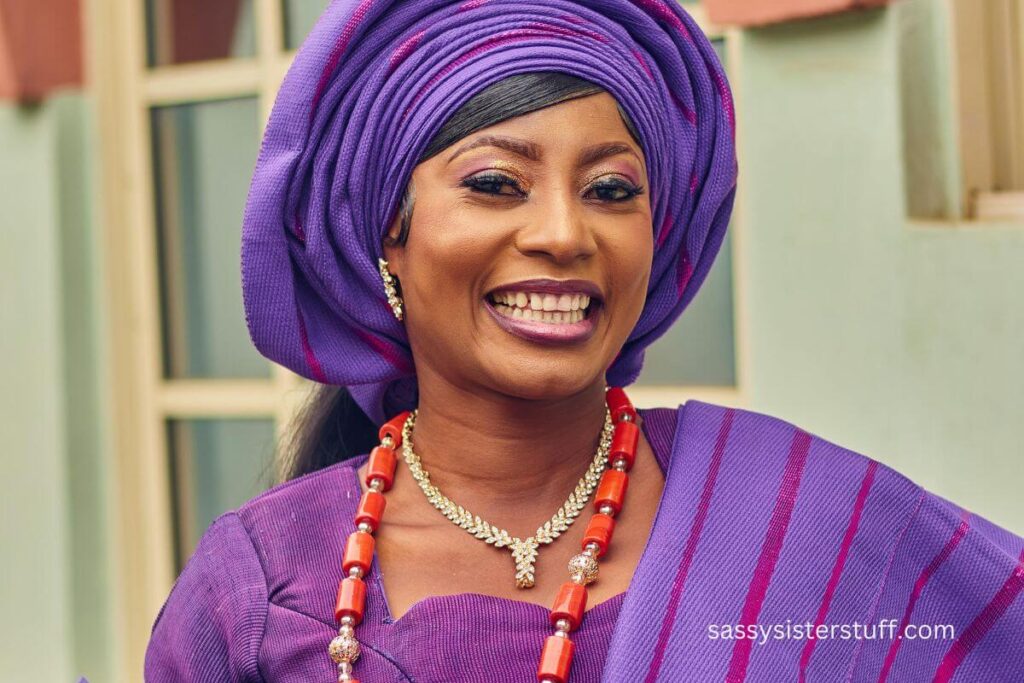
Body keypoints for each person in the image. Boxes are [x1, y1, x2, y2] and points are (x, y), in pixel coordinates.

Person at [145, 0, 1024, 681]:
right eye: (496, 182)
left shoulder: (806, 529)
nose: (565, 232)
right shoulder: (263, 587)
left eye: (610, 189)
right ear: (387, 237)